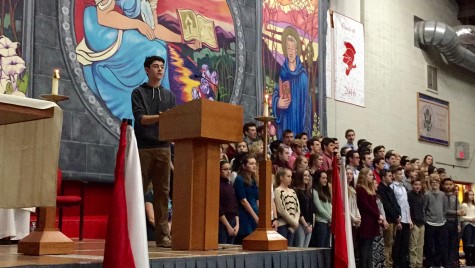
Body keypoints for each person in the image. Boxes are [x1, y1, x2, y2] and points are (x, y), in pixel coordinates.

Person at [80, 0, 182, 120]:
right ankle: (143, 113)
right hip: (100, 29)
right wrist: (138, 24)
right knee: (155, 50)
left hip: (124, 27)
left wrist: (183, 40)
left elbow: (153, 30)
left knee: (162, 47)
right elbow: (104, 17)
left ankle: (162, 109)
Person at [132, 55, 176, 247]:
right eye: (155, 66)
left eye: (162, 67)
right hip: (144, 148)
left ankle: (163, 235)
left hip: (164, 147)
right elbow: (140, 118)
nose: (160, 70)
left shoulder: (169, 96)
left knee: (162, 193)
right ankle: (131, 231)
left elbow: (174, 120)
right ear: (147, 70)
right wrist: (161, 117)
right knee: (138, 190)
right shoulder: (138, 92)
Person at [272, 32, 311, 139]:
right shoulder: (281, 73)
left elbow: (307, 103)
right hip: (286, 116)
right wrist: (277, 103)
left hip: (299, 116)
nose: (290, 52)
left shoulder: (303, 75)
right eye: (288, 48)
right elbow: (274, 93)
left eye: (293, 49)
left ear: (297, 50)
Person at [356, 168, 383, 268]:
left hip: (372, 221)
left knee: (369, 248)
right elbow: (365, 205)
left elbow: (374, 205)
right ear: (364, 176)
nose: (372, 177)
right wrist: (377, 215)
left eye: (372, 175)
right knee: (364, 248)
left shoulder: (370, 189)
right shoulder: (360, 189)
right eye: (370, 175)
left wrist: (378, 216)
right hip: (366, 221)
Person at [233, 154, 259, 244]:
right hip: (245, 215)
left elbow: (257, 199)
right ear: (244, 166)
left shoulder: (253, 180)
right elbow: (243, 200)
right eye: (251, 163)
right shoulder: (239, 179)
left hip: (254, 212)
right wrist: (255, 217)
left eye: (255, 163)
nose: (254, 165)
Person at [423, 174, 447, 268]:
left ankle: (438, 263)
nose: (434, 184)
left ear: (439, 183)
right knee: (429, 245)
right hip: (430, 223)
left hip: (440, 223)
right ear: (430, 183)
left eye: (436, 182)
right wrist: (426, 219)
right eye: (433, 182)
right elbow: (424, 208)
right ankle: (430, 264)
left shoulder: (442, 195)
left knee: (440, 245)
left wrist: (443, 218)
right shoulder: (427, 194)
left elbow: (444, 208)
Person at [274, 168, 300, 246]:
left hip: (293, 225)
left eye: (291, 177)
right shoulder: (278, 190)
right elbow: (281, 210)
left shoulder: (292, 191)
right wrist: (294, 223)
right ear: (281, 177)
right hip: (283, 225)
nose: (290, 179)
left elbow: (297, 209)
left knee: (290, 247)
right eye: (288, 176)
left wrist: (295, 223)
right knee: (283, 247)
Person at [442, 177, 463, 267]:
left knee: (453, 244)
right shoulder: (441, 196)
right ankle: (445, 262)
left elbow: (458, 211)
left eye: (450, 185)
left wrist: (458, 224)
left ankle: (452, 262)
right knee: (445, 243)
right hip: (444, 223)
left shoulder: (455, 196)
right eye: (446, 184)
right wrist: (456, 212)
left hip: (454, 223)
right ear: (443, 185)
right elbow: (443, 210)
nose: (448, 186)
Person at [218, 161, 239, 244]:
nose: (228, 171)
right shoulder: (218, 185)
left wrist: (237, 224)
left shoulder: (230, 185)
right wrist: (227, 226)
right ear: (219, 171)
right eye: (225, 169)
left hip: (233, 221)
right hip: (223, 222)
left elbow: (235, 205)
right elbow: (218, 208)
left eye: (229, 169)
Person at [292, 169, 313, 248]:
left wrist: (310, 225)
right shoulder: (295, 191)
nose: (307, 177)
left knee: (306, 247)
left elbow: (311, 209)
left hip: (309, 223)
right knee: (300, 246)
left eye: (308, 176)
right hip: (300, 223)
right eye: (305, 175)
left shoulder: (308, 192)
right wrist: (305, 225)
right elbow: (298, 210)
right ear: (300, 177)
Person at [311, 170, 332, 248]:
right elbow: (319, 208)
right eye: (323, 178)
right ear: (317, 179)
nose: (325, 180)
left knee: (327, 247)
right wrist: (330, 218)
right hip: (320, 222)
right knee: (321, 246)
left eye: (326, 178)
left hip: (328, 222)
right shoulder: (314, 191)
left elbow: (330, 206)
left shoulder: (325, 191)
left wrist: (332, 217)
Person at [407, 178, 425, 268]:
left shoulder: (422, 196)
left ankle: (419, 264)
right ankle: (412, 264)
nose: (417, 186)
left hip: (422, 223)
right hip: (414, 223)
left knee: (420, 246)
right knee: (413, 246)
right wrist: (411, 221)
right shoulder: (409, 195)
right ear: (412, 185)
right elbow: (408, 209)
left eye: (419, 185)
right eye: (415, 185)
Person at [461, 190, 475, 265]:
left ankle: (473, 261)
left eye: (473, 195)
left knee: (474, 244)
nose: (472, 196)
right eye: (470, 194)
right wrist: (470, 219)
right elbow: (461, 216)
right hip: (467, 225)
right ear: (466, 195)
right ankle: (468, 261)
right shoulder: (464, 205)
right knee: (467, 244)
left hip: (474, 225)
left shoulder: (473, 205)